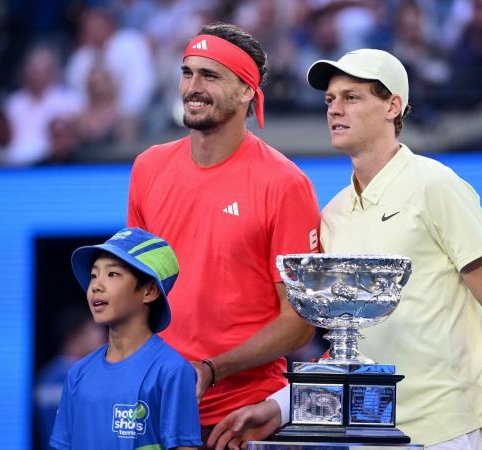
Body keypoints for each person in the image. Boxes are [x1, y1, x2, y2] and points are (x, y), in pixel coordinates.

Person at [208, 49, 482, 450]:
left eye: (351, 98)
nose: (334, 109)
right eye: (330, 100)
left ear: (393, 105)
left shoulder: (437, 186)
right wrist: (280, 407)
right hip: (368, 433)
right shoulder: (335, 212)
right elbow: (348, 345)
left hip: (450, 433)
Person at [126, 23, 320, 438]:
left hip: (243, 419)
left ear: (247, 90)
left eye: (210, 75)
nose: (193, 87)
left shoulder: (285, 183)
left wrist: (212, 370)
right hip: (157, 411)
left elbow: (300, 323)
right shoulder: (147, 168)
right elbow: (138, 292)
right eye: (187, 72)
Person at [50, 227, 202, 450]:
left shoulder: (172, 371)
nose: (96, 286)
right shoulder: (77, 374)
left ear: (149, 291)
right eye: (94, 275)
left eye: (112, 274)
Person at [34, 305, 106, 450]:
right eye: (95, 331)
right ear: (77, 335)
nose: (104, 339)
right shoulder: (81, 377)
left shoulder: (45, 377)